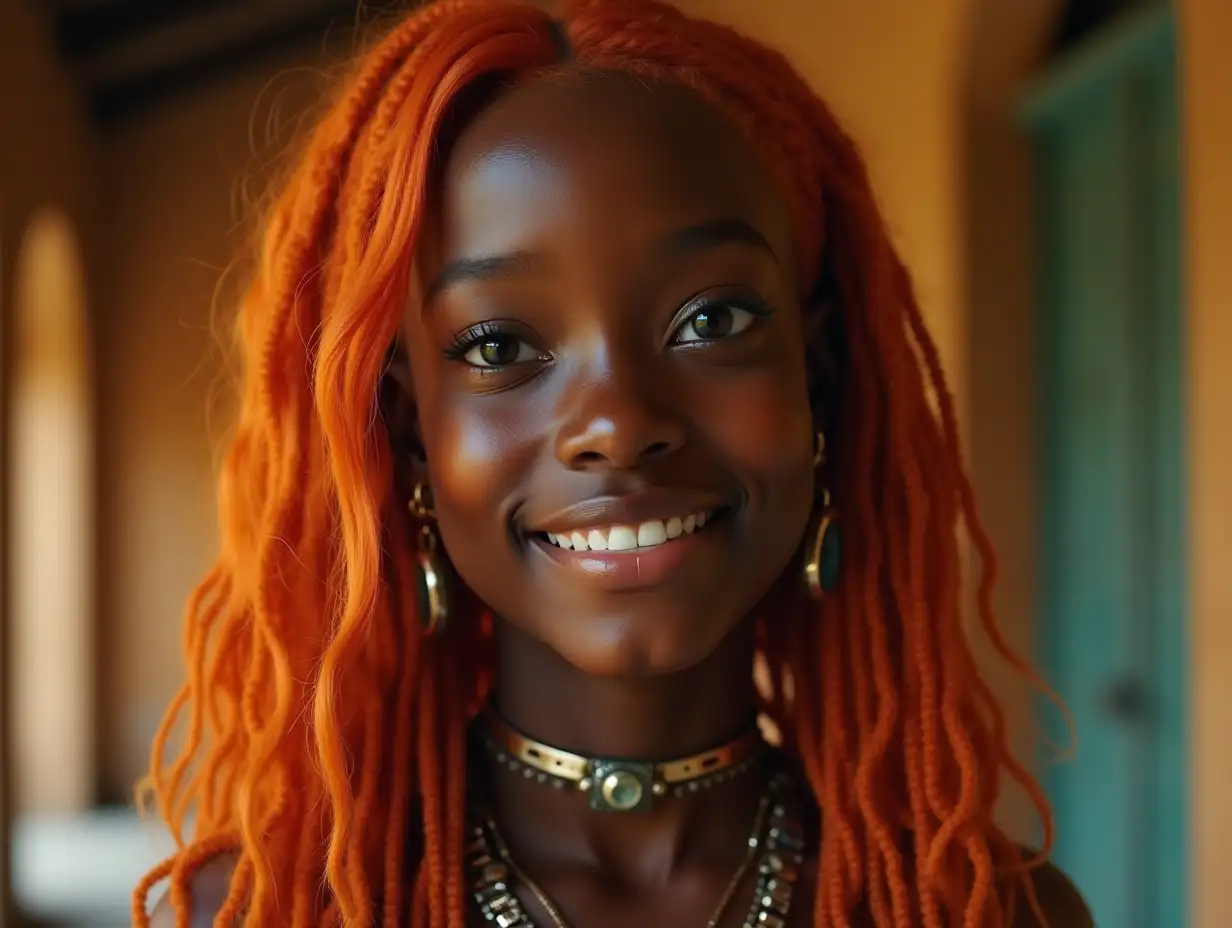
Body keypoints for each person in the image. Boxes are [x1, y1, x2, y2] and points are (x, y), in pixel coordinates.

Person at [134, 0, 1094, 925]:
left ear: (822, 375)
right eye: (500, 347)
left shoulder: (985, 913)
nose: (618, 423)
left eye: (710, 321)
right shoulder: (257, 917)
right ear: (411, 429)